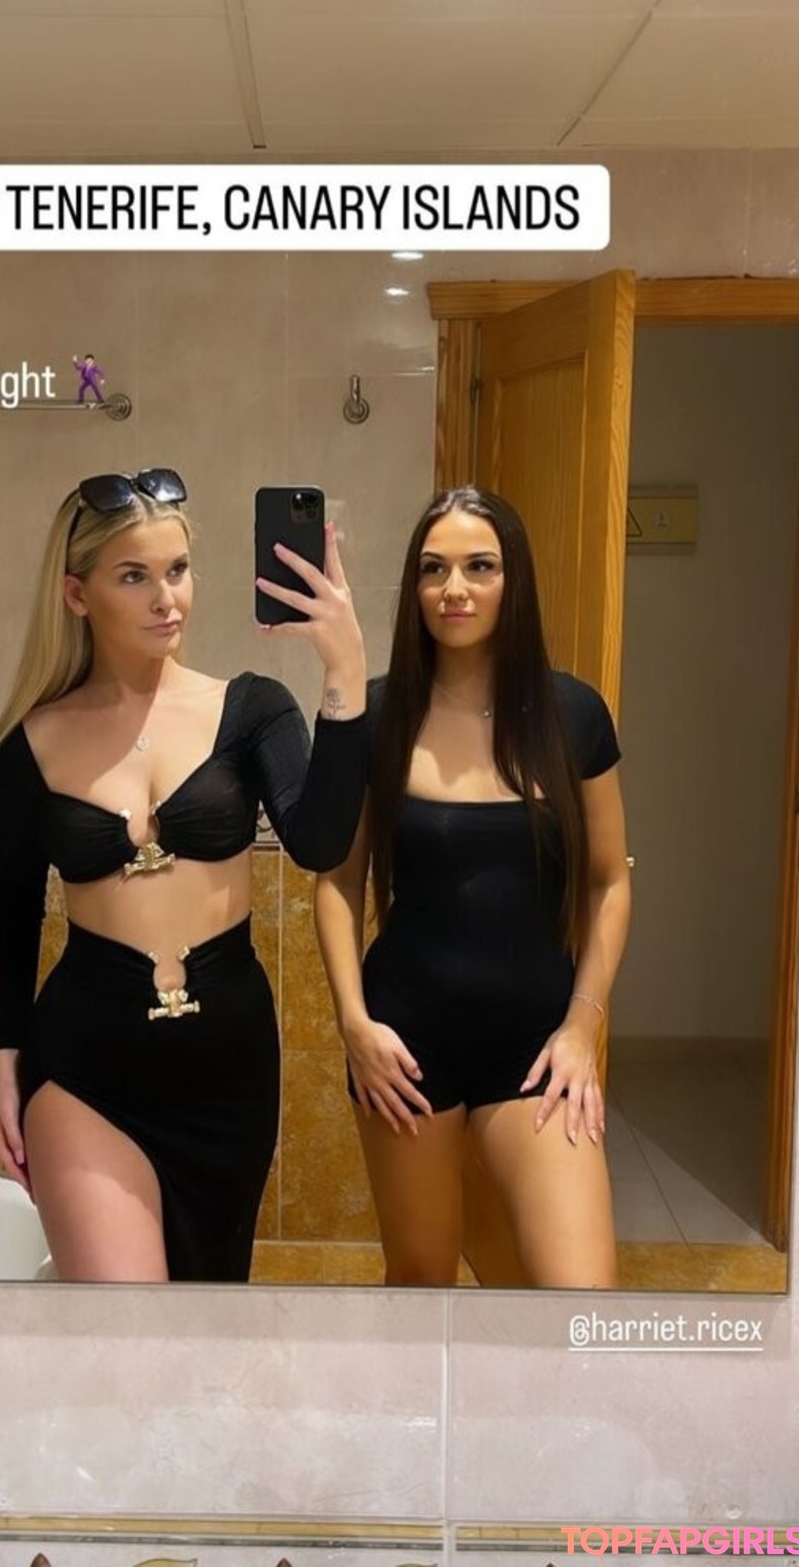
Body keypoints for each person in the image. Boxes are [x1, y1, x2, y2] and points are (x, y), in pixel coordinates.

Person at [0, 468, 367, 1283]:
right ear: (77, 594)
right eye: (135, 576)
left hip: (225, 1072)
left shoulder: (253, 709)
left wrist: (345, 673)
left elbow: (322, 842)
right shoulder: (27, 747)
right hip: (84, 1068)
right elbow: (12, 919)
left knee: (204, 1323)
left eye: (178, 571)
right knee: (128, 1330)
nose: (168, 599)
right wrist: (4, 1067)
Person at [314, 486, 631, 1289]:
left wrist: (581, 1028)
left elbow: (609, 881)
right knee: (421, 1278)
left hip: (538, 1044)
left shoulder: (573, 715)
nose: (453, 589)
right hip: (403, 1045)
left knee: (580, 1295)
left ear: (512, 579)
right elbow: (338, 882)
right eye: (434, 569)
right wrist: (353, 1024)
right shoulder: (377, 716)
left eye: (479, 567)